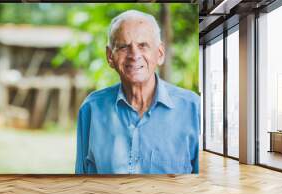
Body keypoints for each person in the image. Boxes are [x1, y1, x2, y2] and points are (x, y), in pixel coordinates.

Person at [75, 10, 200, 174]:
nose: (134, 55)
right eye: (123, 47)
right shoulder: (91, 109)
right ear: (110, 56)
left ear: (160, 54)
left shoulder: (193, 108)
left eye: (143, 45)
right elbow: (82, 181)